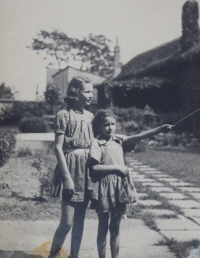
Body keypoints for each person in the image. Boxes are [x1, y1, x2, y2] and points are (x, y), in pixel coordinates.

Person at [89, 109, 173, 258]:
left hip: (119, 188)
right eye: (106, 125)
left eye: (113, 124)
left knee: (115, 227)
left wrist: (160, 129)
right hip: (104, 188)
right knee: (102, 226)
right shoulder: (96, 143)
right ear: (99, 127)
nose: (110, 127)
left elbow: (139, 136)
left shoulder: (119, 140)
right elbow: (94, 168)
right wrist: (117, 168)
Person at [49, 76, 94, 258]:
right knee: (67, 221)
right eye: (87, 91)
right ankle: (53, 255)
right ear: (75, 93)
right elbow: (58, 147)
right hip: (70, 168)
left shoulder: (90, 116)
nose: (91, 95)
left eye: (92, 91)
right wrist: (67, 177)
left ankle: (74, 255)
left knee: (80, 220)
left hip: (86, 169)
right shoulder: (63, 115)